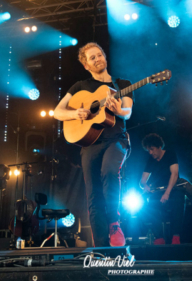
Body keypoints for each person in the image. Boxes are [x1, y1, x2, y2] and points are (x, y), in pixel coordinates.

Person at [54, 42, 133, 247]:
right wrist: (75, 113)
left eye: (100, 55)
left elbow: (128, 112)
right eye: (92, 58)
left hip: (116, 139)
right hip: (90, 143)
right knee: (93, 192)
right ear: (86, 65)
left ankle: (114, 223)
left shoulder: (122, 83)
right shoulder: (80, 87)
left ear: (105, 57)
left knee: (108, 171)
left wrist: (118, 111)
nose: (98, 59)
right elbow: (57, 112)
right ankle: (99, 244)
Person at [139, 133, 184, 245]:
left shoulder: (170, 154)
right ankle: (159, 237)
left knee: (179, 199)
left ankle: (175, 236)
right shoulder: (150, 159)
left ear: (159, 147)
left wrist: (167, 193)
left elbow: (174, 174)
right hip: (158, 191)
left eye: (152, 149)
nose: (150, 152)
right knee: (146, 207)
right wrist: (145, 186)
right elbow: (142, 180)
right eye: (148, 150)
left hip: (172, 190)